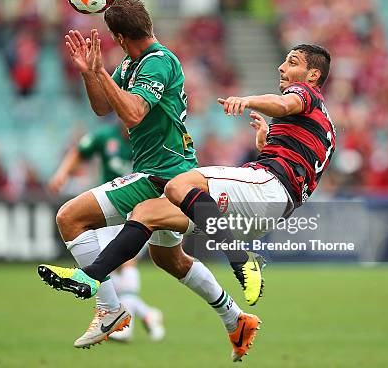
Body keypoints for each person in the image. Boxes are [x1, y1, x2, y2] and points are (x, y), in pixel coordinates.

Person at [40, 44, 336, 362]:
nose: (281, 67)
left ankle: (240, 260)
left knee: (180, 183)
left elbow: (283, 102)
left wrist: (248, 100)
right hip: (267, 206)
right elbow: (304, 164)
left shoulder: (306, 93)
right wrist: (268, 144)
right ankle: (235, 321)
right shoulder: (324, 123)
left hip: (266, 190)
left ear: (313, 74)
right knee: (148, 213)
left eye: (292, 62)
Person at [38, 0, 259, 353]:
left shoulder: (158, 62)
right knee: (168, 259)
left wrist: (102, 74)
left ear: (120, 38)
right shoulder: (129, 65)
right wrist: (91, 73)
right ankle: (236, 318)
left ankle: (109, 309)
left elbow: (133, 114)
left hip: (161, 174)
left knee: (69, 218)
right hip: (171, 174)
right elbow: (101, 107)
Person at [48, 122, 164, 342]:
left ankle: (124, 328)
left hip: (140, 211)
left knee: (127, 262)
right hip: (109, 210)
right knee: (107, 267)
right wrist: (62, 173)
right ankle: (147, 314)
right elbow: (80, 151)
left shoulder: (150, 135)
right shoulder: (105, 136)